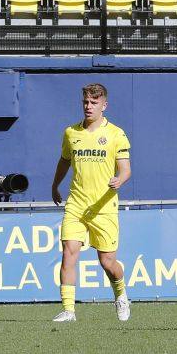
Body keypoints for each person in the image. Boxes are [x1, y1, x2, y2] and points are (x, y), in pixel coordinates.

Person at [50, 83, 132, 322]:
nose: (89, 106)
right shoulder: (71, 133)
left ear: (104, 105)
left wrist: (120, 180)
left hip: (104, 207)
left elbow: (126, 169)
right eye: (86, 101)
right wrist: (55, 185)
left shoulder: (116, 134)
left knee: (108, 263)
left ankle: (121, 293)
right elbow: (64, 161)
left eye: (94, 102)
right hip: (76, 205)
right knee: (69, 251)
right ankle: (68, 310)